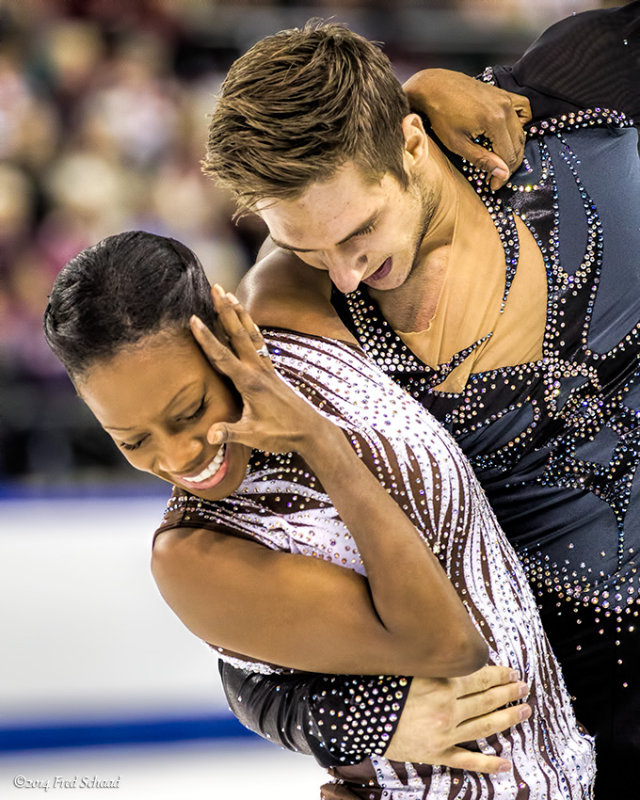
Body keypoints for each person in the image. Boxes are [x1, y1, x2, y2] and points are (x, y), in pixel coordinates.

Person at [201, 3, 640, 794]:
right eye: (304, 246)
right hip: (578, 735)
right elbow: (242, 637)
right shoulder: (305, 346)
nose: (342, 273)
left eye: (358, 230)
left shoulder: (568, 104)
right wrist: (368, 725)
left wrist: (437, 84)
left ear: (410, 140)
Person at [43, 230, 594, 798]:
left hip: (577, 762)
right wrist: (317, 441)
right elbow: (451, 647)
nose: (178, 455)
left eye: (190, 409)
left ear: (223, 321)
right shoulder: (194, 554)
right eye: (132, 441)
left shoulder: (285, 309)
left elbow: (322, 187)